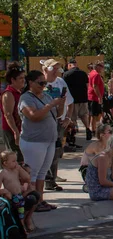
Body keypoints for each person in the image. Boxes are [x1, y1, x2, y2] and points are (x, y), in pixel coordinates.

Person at [18, 70, 65, 213]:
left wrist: (60, 103)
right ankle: (31, 202)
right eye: (40, 83)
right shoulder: (26, 98)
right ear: (30, 83)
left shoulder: (45, 96)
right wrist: (50, 105)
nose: (43, 85)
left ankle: (40, 200)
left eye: (45, 83)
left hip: (49, 140)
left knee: (42, 173)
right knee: (32, 173)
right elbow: (33, 116)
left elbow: (57, 114)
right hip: (34, 141)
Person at [42, 58, 74, 191]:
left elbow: (70, 102)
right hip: (42, 122)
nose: (56, 71)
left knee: (55, 151)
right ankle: (43, 178)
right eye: (53, 68)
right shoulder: (39, 83)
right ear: (45, 69)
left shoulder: (61, 82)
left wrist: (67, 118)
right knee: (43, 151)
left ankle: (50, 180)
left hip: (58, 123)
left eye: (57, 68)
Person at [0, 151, 40, 233]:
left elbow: (28, 178)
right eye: (13, 161)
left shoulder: (16, 170)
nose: (16, 163)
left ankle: (25, 220)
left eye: (16, 160)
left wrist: (19, 168)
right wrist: (5, 191)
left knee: (35, 195)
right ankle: (20, 226)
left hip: (20, 196)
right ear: (5, 163)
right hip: (12, 198)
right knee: (21, 209)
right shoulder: (3, 173)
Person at [1, 62, 25, 163]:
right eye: (20, 78)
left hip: (20, 129)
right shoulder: (8, 94)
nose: (23, 80)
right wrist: (15, 132)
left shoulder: (20, 92)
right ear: (12, 80)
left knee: (22, 158)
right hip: (11, 130)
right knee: (15, 158)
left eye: (24, 77)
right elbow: (8, 115)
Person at [63, 58, 92, 140]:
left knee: (73, 117)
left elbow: (64, 87)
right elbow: (87, 86)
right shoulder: (83, 73)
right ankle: (87, 128)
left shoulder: (66, 74)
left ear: (69, 65)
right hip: (83, 98)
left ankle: (73, 134)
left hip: (73, 99)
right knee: (84, 115)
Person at [87, 60, 105, 134]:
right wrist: (99, 97)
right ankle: (95, 130)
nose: (102, 68)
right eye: (101, 66)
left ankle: (93, 129)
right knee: (96, 115)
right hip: (94, 97)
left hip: (91, 96)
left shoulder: (92, 73)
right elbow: (95, 86)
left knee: (93, 114)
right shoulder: (96, 74)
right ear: (97, 66)